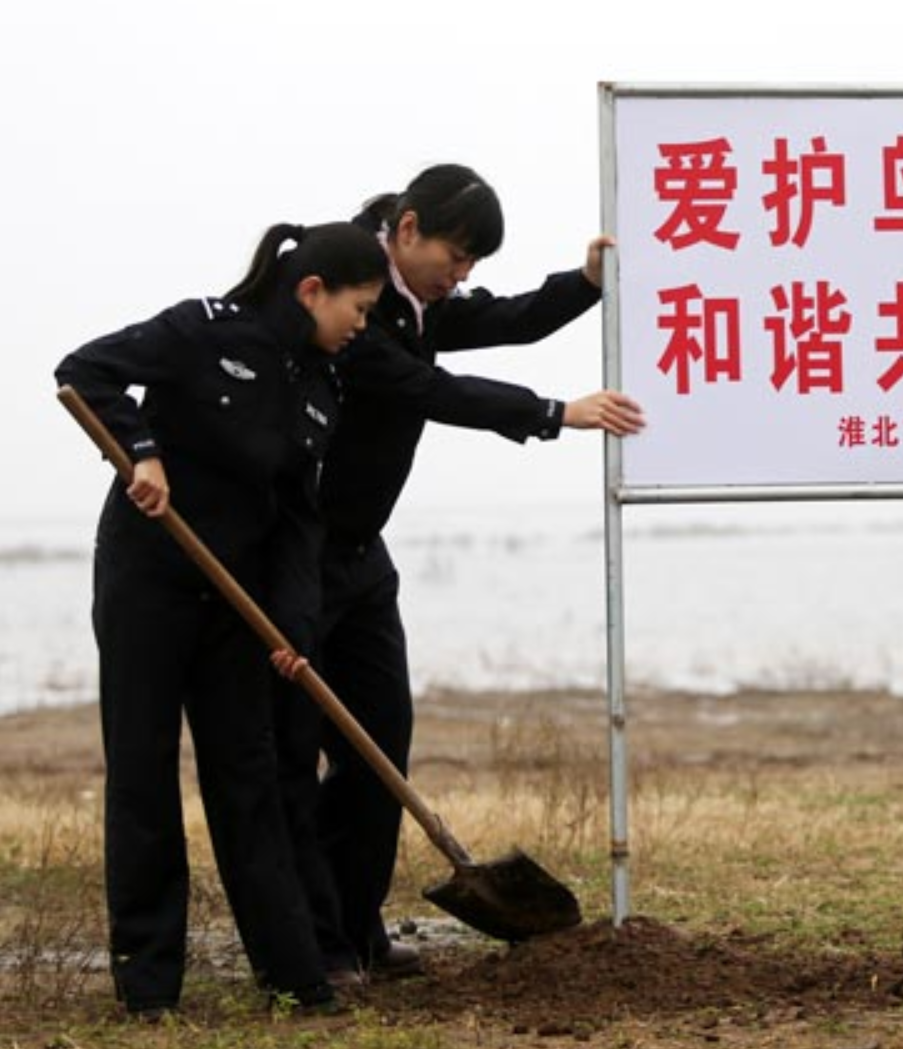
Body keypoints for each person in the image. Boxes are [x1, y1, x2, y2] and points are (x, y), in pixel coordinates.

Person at [281, 163, 645, 979]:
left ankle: (360, 925)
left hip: (361, 554)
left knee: (381, 736)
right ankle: (317, 944)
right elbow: (427, 388)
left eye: (474, 261)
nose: (464, 274)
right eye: (457, 253)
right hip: (296, 549)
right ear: (407, 231)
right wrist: (556, 412)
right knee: (299, 749)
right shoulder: (354, 302)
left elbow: (508, 318)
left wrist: (584, 283)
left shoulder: (420, 303)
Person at [56, 222, 389, 1017]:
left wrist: (294, 631)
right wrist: (142, 450)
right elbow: (85, 371)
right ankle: (148, 987)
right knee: (141, 772)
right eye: (361, 307)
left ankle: (293, 973)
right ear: (313, 291)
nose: (363, 325)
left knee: (249, 777)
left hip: (233, 599)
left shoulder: (319, 386)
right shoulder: (201, 331)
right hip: (149, 575)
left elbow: (300, 524)